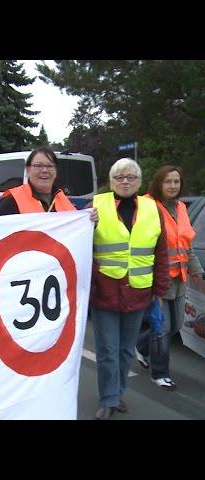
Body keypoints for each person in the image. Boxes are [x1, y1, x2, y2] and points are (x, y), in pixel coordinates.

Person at [87, 158, 169, 420]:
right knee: (108, 349)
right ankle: (108, 399)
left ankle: (118, 391)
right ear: (111, 181)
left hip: (138, 291)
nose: (125, 181)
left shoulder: (152, 209)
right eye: (120, 177)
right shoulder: (96, 207)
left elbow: (162, 251)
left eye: (131, 177)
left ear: (139, 181)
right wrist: (86, 222)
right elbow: (78, 245)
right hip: (105, 291)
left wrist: (160, 288)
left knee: (125, 350)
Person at [135, 166, 203, 390]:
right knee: (161, 328)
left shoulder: (182, 207)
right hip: (158, 280)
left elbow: (187, 246)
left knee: (176, 326)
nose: (173, 186)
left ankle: (140, 346)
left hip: (179, 279)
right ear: (158, 184)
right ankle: (160, 373)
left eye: (176, 181)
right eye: (168, 182)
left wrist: (198, 272)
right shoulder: (147, 206)